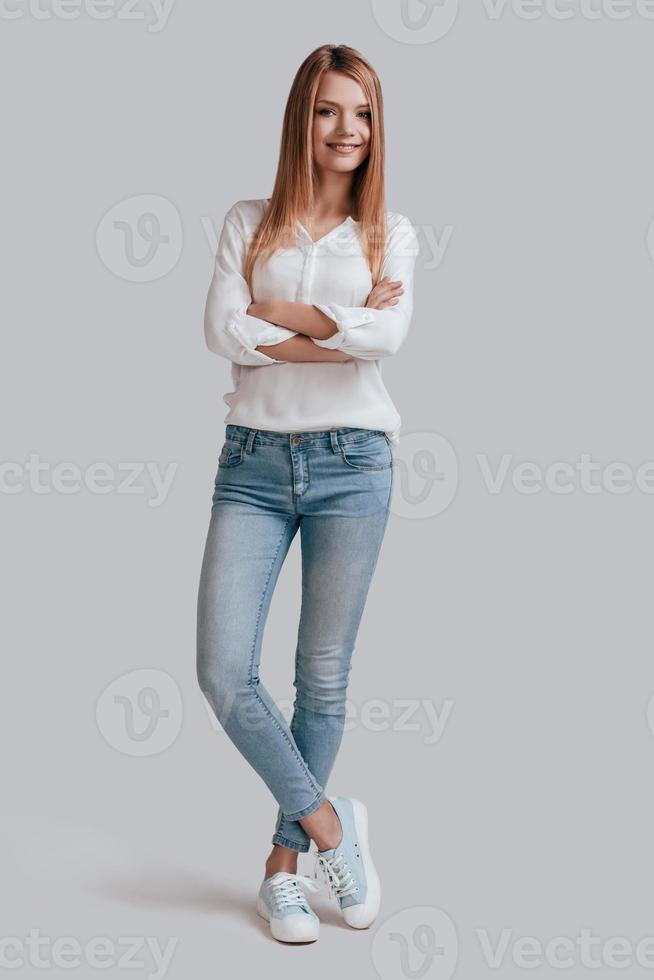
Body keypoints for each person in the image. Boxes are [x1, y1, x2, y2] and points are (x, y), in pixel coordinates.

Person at [196, 42, 419, 943]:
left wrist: (278, 316)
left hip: (354, 464)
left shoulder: (390, 232)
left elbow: (390, 338)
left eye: (360, 113)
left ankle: (282, 870)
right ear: (302, 118)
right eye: (328, 110)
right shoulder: (248, 220)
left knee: (319, 681)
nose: (345, 130)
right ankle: (332, 825)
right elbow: (221, 329)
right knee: (222, 671)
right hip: (251, 462)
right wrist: (339, 329)